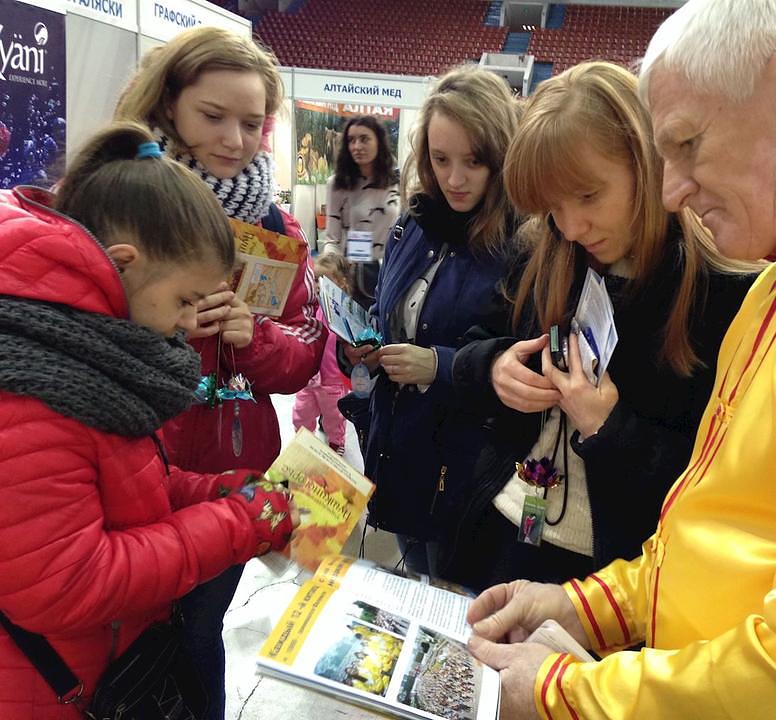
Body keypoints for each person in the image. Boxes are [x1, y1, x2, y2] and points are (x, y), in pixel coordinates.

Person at [466, 1, 776, 718]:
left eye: (688, 144)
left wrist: (564, 692)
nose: (672, 192)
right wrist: (589, 606)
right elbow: (719, 535)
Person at [0, 122, 296, 719]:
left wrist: (219, 489)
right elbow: (68, 583)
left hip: (98, 666)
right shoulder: (34, 387)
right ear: (123, 265)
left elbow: (122, 485)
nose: (190, 323)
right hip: (45, 690)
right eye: (185, 300)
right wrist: (238, 523)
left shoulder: (93, 353)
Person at [441, 61, 753, 591]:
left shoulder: (723, 294)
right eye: (552, 207)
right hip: (507, 528)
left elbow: (727, 488)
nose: (571, 225)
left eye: (587, 197)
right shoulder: (548, 251)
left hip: (617, 578)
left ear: (649, 164)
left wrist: (611, 429)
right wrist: (495, 367)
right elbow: (474, 348)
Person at [114, 27, 324, 720]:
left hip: (235, 468)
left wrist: (253, 334)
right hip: (136, 460)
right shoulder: (122, 201)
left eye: (252, 122)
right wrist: (164, 323)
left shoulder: (275, 228)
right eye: (214, 116)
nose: (235, 139)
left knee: (202, 630)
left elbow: (303, 355)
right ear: (169, 103)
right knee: (129, 632)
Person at [341, 66, 520, 576]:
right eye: (441, 160)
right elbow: (386, 314)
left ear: (501, 158)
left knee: (452, 600)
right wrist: (360, 345)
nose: (455, 179)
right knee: (415, 579)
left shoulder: (520, 245)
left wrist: (439, 366)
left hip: (466, 470)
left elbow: (525, 359)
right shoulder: (411, 226)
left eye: (473, 162)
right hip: (400, 452)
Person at [322, 114, 401, 307]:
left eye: (364, 139)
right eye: (351, 140)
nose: (357, 146)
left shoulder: (397, 183)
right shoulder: (338, 184)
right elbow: (332, 237)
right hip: (354, 277)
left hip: (393, 273)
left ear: (379, 142)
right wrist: (328, 267)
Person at [292, 253, 352, 453]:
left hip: (332, 380)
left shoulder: (343, 311)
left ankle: (336, 442)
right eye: (316, 279)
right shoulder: (310, 308)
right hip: (308, 378)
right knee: (301, 413)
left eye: (324, 279)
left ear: (341, 283)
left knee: (334, 416)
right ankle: (303, 441)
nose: (319, 285)